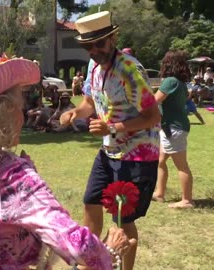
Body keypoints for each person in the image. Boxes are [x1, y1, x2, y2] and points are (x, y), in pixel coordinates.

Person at [0, 50, 135, 270]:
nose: (23, 115)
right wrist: (110, 251)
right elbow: (75, 245)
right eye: (20, 108)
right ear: (2, 114)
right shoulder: (11, 175)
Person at [60, 11, 161, 270]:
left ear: (113, 38)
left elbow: (152, 116)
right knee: (90, 202)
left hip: (137, 155)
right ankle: (90, 262)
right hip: (109, 151)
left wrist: (111, 128)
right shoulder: (94, 66)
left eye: (100, 43)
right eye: (87, 46)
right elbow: (88, 103)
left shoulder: (129, 69)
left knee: (123, 220)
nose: (94, 50)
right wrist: (73, 112)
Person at [151, 50, 195, 209]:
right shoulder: (180, 83)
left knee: (181, 165)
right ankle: (159, 193)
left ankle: (187, 200)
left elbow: (153, 101)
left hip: (174, 129)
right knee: (161, 161)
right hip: (171, 128)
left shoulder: (170, 81)